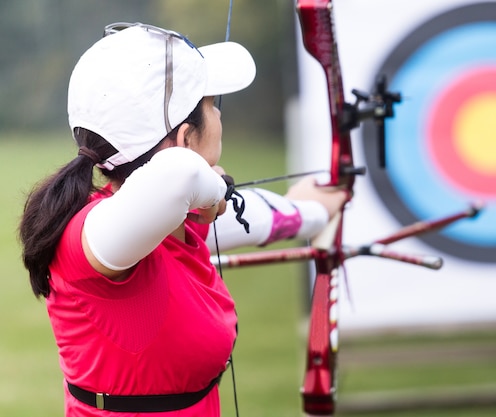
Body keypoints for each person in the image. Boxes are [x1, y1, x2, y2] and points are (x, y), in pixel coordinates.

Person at [18, 22, 346, 416]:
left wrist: (313, 210)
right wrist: (213, 189)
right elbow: (178, 174)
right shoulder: (90, 237)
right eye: (212, 104)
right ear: (186, 137)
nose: (219, 116)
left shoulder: (171, 223)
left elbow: (257, 219)